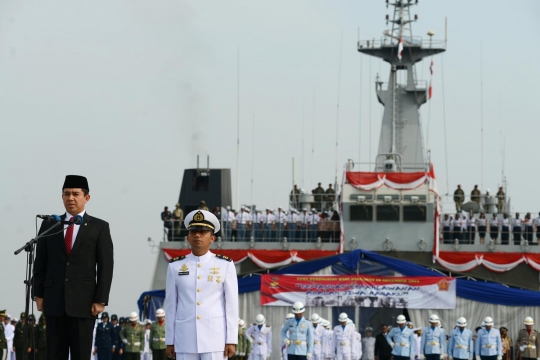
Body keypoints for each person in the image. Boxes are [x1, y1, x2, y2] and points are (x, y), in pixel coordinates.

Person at [33, 175, 114, 360]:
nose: (71, 198)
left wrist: (100, 299)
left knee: (81, 355)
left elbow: (106, 266)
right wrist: (39, 294)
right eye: (66, 194)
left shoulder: (99, 227)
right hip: (54, 302)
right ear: (62, 197)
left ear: (86, 198)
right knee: (54, 354)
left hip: (84, 304)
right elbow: (40, 262)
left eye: (75, 194)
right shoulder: (50, 224)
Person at [165, 209, 239, 359]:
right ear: (188, 237)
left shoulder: (225, 265)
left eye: (203, 232)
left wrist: (231, 339)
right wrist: (170, 340)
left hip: (215, 338)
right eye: (193, 232)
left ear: (212, 238)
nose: (197, 235)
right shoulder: (175, 266)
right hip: (185, 338)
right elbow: (171, 305)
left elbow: (231, 305)